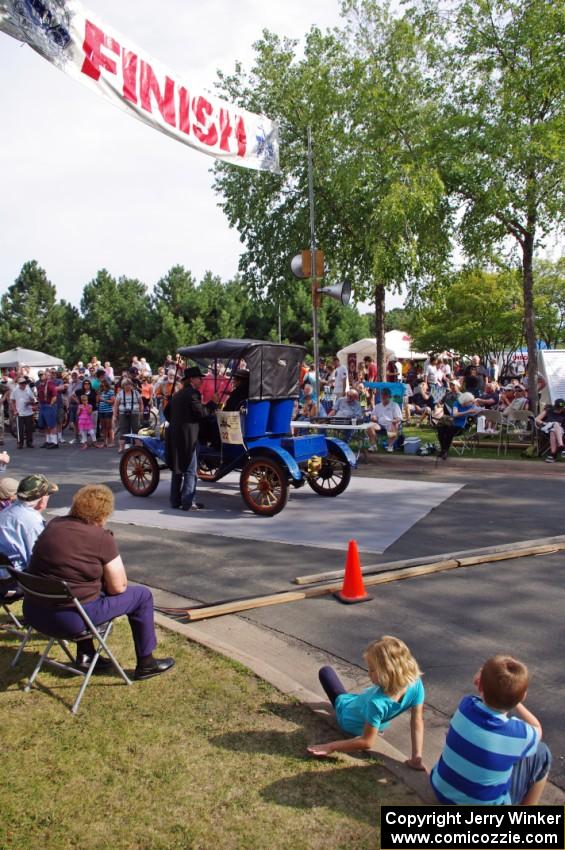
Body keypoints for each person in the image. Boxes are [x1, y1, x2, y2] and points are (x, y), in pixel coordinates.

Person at [24, 484, 174, 679]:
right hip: (70, 621)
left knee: (79, 590)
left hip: (35, 612)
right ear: (104, 513)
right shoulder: (101, 538)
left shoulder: (53, 525)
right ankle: (146, 662)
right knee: (142, 595)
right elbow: (119, 587)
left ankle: (86, 654)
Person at [430, 655, 551, 805]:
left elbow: (480, 694)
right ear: (522, 697)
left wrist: (485, 681)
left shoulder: (466, 705)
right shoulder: (519, 734)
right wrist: (516, 701)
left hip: (442, 793)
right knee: (542, 752)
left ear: (479, 685)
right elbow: (537, 729)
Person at [307, 636, 425, 770]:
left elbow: (366, 741)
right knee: (360, 698)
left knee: (326, 672)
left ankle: (336, 704)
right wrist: (416, 757)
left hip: (346, 717)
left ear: (388, 671)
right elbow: (417, 721)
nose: (368, 673)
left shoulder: (376, 703)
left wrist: (330, 746)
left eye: (372, 669)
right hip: (373, 720)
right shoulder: (416, 684)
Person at [165, 366, 218, 511]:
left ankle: (175, 501)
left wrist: (179, 422)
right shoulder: (193, 394)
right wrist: (213, 403)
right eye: (199, 378)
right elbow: (201, 413)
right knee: (190, 469)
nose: (202, 380)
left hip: (175, 433)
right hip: (187, 436)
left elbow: (166, 412)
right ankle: (188, 502)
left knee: (178, 468)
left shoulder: (178, 394)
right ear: (191, 380)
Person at [0, 474, 58, 577]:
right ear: (42, 498)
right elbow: (37, 558)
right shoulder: (32, 521)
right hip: (14, 577)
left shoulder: (6, 511)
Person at [435, 391, 482, 459]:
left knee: (449, 430)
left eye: (471, 401)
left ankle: (444, 451)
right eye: (470, 401)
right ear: (465, 401)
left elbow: (482, 411)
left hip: (460, 426)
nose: (471, 403)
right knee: (440, 429)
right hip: (451, 422)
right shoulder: (457, 403)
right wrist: (467, 412)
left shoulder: (472, 406)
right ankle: (444, 450)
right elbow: (455, 414)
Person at [113, 378, 143, 453]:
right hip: (123, 414)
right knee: (123, 430)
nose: (128, 386)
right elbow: (116, 405)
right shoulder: (120, 393)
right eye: (126, 385)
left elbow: (141, 403)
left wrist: (141, 412)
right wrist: (114, 415)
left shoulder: (136, 393)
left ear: (131, 385)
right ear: (123, 386)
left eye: (129, 384)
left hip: (135, 413)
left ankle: (138, 447)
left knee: (136, 430)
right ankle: (121, 447)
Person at [536, 398, 565, 463]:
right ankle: (561, 445)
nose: (559, 410)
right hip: (546, 428)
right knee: (556, 424)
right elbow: (537, 419)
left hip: (560, 431)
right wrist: (545, 423)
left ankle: (553, 455)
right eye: (558, 408)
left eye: (560, 408)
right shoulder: (548, 410)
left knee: (553, 431)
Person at [10, 376, 36, 448]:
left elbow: (33, 400)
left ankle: (29, 442)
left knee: (29, 429)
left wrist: (30, 402)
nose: (23, 384)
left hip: (29, 412)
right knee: (20, 430)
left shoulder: (28, 390)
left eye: (24, 383)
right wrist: (15, 410)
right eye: (21, 383)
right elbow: (12, 401)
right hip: (19, 413)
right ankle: (20, 443)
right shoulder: (15, 390)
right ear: (19, 384)